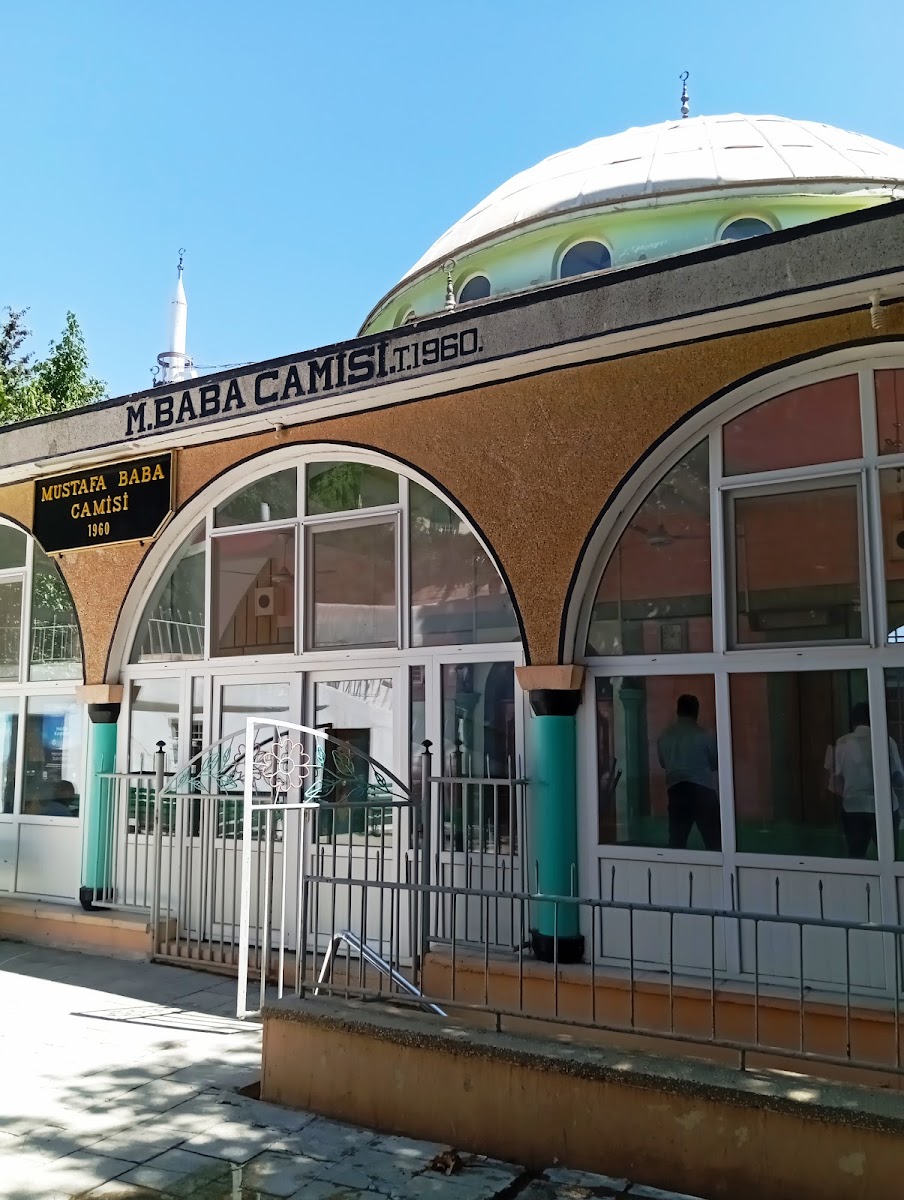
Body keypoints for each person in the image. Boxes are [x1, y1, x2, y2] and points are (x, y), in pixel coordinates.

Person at [825, 703, 903, 859]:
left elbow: (834, 780)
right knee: (888, 858)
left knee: (856, 857)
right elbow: (898, 776)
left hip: (853, 806)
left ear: (853, 721)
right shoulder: (886, 740)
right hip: (883, 807)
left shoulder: (841, 743)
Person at [656, 694, 721, 850]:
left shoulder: (665, 736)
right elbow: (715, 763)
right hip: (702, 790)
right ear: (696, 711)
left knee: (677, 843)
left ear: (678, 711)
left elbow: (663, 763)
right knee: (715, 843)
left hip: (676, 791)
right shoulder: (705, 735)